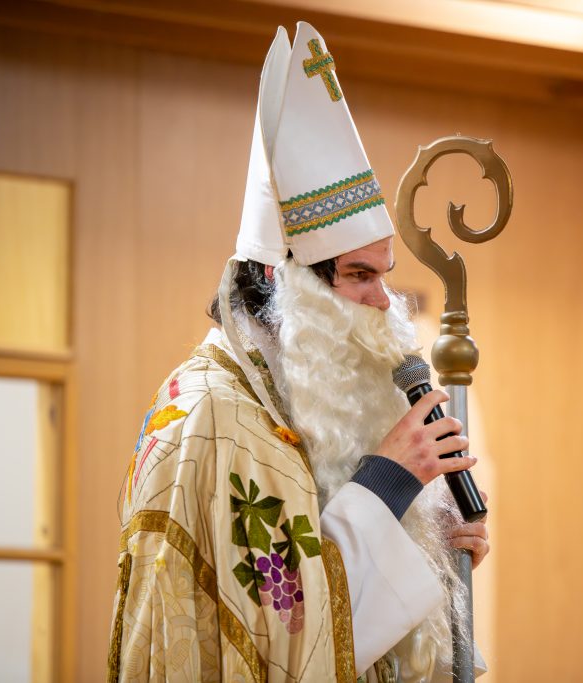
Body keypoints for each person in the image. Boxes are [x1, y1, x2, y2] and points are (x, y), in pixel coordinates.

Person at [107, 22, 489, 682]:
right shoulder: (214, 415)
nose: (383, 301)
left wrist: (436, 548)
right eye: (359, 275)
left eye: (385, 274)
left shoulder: (300, 398)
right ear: (283, 280)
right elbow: (277, 634)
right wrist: (388, 481)